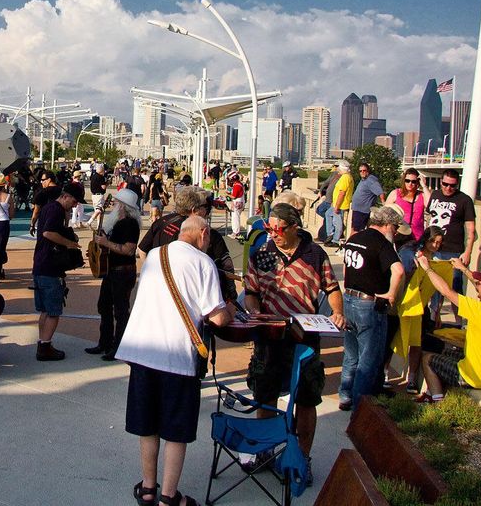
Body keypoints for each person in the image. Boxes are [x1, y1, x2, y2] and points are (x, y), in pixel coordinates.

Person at [116, 215, 233, 506]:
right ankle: (169, 497)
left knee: (148, 424)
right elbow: (217, 317)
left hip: (142, 350)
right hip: (177, 354)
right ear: (203, 234)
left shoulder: (157, 254)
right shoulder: (203, 263)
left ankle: (147, 488)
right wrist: (230, 308)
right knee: (175, 430)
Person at [243, 203, 344, 475]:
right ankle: (263, 452)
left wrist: (337, 312)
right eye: (269, 229)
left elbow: (332, 288)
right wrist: (254, 310)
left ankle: (301, 459)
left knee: (307, 398)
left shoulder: (315, 255)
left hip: (304, 338)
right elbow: (251, 291)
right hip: (270, 336)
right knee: (265, 396)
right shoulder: (262, 254)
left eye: (279, 229)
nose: (273, 234)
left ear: (294, 227)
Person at [415, 261, 481, 402]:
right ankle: (431, 394)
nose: (477, 285)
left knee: (427, 359)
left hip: (473, 378)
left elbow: (446, 291)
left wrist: (427, 268)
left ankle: (436, 401)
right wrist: (463, 269)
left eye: (480, 284)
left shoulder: (479, 310)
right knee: (445, 351)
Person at [338, 205, 404, 411]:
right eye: (395, 227)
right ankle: (361, 406)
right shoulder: (381, 244)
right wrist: (391, 294)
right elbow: (399, 270)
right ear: (386, 225)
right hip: (369, 305)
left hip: (348, 299)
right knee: (369, 358)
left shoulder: (354, 239)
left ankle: (345, 395)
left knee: (351, 354)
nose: (396, 232)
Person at [139, 185, 238, 308]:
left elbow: (142, 249)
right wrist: (232, 297)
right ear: (194, 210)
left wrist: (154, 274)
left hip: (160, 294)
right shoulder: (207, 233)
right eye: (206, 207)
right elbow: (227, 265)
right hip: (192, 302)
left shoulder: (162, 222)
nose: (208, 211)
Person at [390, 226, 453, 394]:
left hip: (420, 307)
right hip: (404, 303)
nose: (436, 245)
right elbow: (403, 267)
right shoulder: (411, 251)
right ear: (426, 239)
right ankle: (385, 374)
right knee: (394, 339)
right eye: (433, 241)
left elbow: (440, 289)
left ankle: (411, 378)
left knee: (416, 343)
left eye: (439, 242)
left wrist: (437, 311)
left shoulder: (437, 261)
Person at [85, 189, 142, 361]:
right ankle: (105, 342)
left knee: (121, 310)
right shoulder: (118, 222)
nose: (114, 205)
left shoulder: (130, 224)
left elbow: (129, 249)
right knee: (104, 306)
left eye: (117, 203)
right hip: (112, 270)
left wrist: (105, 243)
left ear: (123, 206)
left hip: (122, 271)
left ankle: (119, 346)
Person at [32, 181, 84, 361]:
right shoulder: (56, 210)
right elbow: (48, 233)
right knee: (53, 311)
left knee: (45, 310)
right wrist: (69, 244)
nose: (76, 205)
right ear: (66, 196)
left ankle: (42, 342)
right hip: (50, 266)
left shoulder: (49, 208)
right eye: (75, 201)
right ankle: (45, 346)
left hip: (40, 264)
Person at [425, 168, 477, 302]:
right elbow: (428, 217)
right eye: (445, 184)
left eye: (452, 185)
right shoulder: (435, 195)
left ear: (457, 185)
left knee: (454, 287)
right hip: (433, 249)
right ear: (441, 182)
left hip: (453, 251)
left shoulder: (464, 200)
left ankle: (459, 320)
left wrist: (468, 252)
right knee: (434, 286)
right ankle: (435, 318)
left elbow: (471, 229)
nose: (448, 188)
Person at [385, 168, 431, 273]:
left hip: (418, 237)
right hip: (401, 236)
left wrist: (424, 186)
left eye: (414, 181)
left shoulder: (421, 196)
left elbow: (430, 206)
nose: (410, 184)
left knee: (415, 263)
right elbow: (385, 213)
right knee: (407, 258)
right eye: (407, 181)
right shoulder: (396, 194)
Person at [349, 163, 386, 235]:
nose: (362, 172)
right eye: (360, 171)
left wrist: (384, 204)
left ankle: (352, 244)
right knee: (354, 229)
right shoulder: (363, 180)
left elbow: (380, 192)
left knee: (356, 231)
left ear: (368, 171)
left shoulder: (371, 181)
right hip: (357, 209)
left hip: (362, 211)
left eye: (364, 170)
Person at [327, 161, 353, 247]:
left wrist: (337, 206)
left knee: (338, 222)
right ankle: (330, 234)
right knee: (328, 214)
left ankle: (335, 240)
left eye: (339, 168)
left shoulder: (345, 177)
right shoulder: (345, 177)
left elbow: (342, 193)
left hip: (341, 205)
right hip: (336, 204)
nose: (337, 169)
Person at [29, 169, 60, 235]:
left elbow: (36, 211)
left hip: (44, 222)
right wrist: (65, 224)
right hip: (58, 221)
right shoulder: (61, 191)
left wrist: (32, 225)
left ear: (49, 180)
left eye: (43, 180)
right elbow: (67, 210)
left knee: (42, 243)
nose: (41, 182)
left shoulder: (42, 193)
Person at [87, 163, 110, 229]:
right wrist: (107, 182)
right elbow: (103, 187)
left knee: (98, 212)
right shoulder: (100, 177)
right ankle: (89, 222)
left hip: (94, 195)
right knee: (99, 210)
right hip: (99, 195)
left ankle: (99, 226)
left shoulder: (93, 176)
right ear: (101, 170)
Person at [228, 172, 246, 240]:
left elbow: (234, 196)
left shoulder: (237, 185)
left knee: (235, 218)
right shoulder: (239, 184)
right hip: (240, 202)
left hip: (237, 203)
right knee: (236, 217)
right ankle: (235, 232)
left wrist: (227, 195)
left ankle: (236, 232)